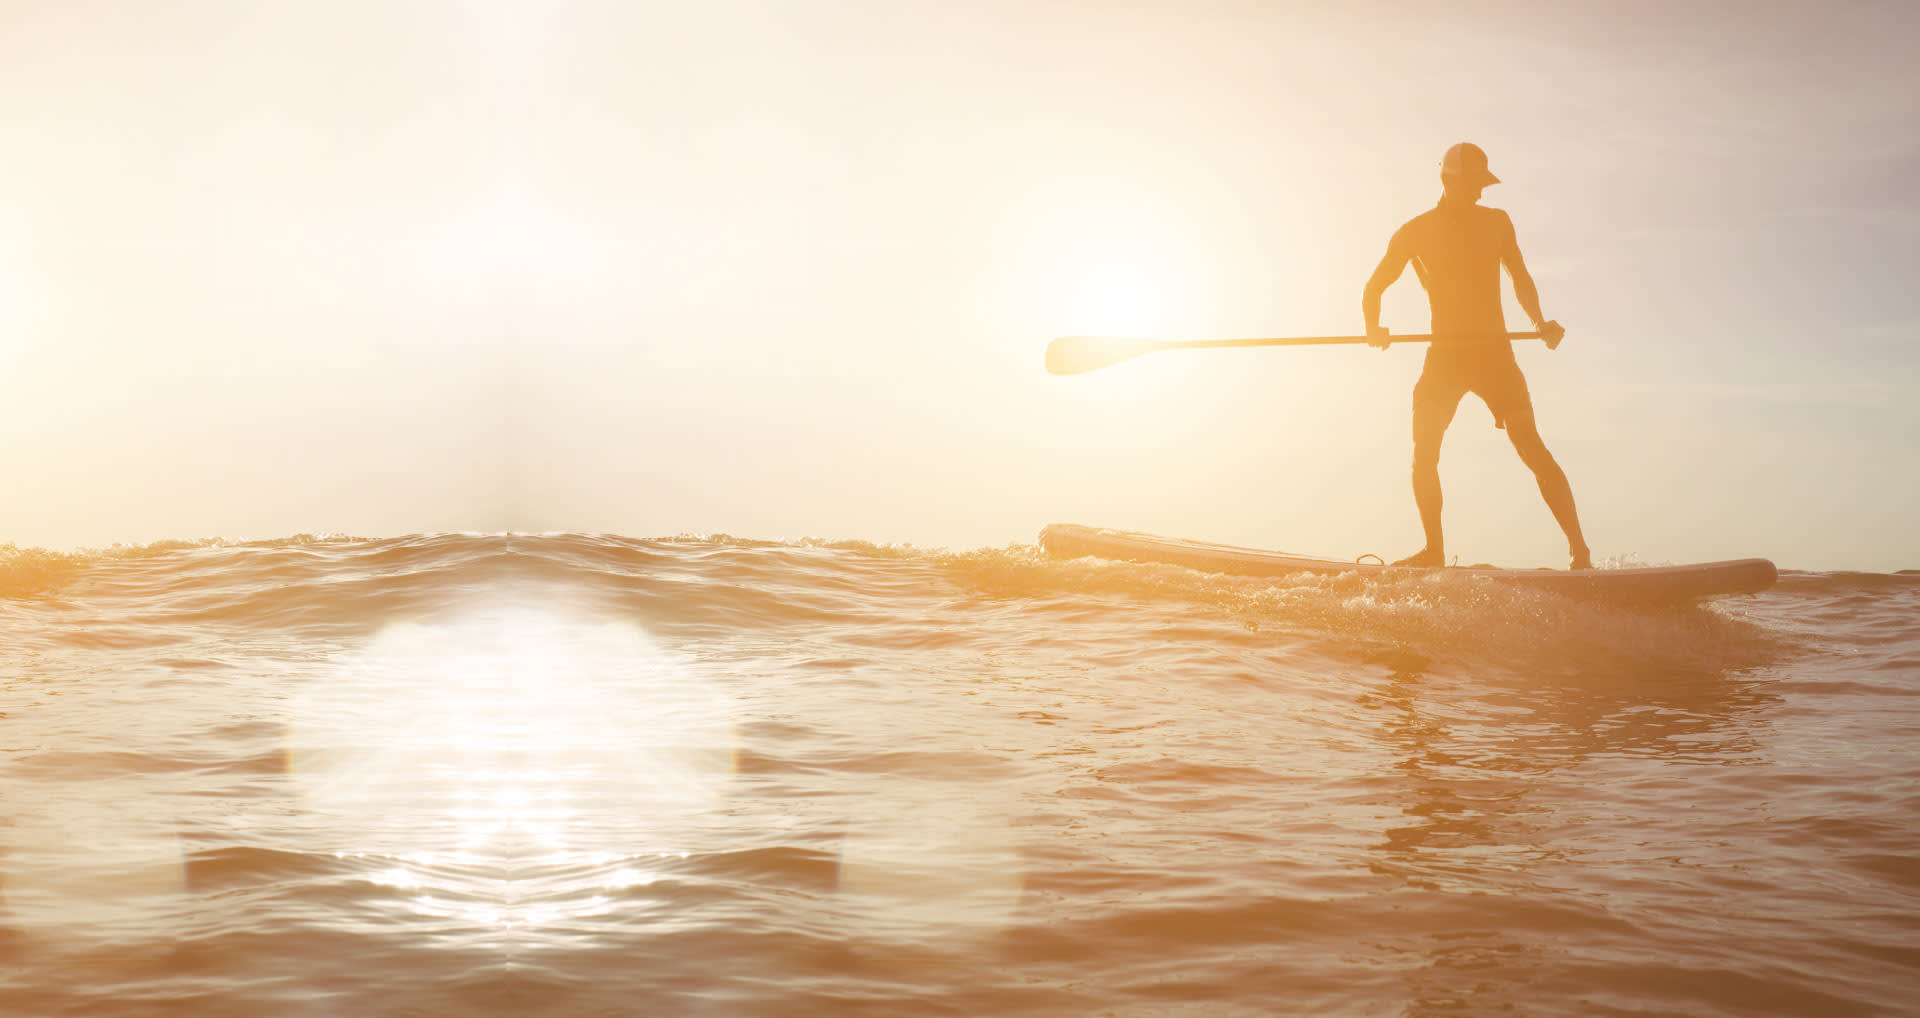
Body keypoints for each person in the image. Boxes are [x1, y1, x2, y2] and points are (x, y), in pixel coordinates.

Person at [1361, 142, 1592, 570]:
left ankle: (1581, 554)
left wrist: (1540, 321)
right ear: (1449, 180)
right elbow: (1374, 287)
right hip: (1444, 357)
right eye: (1474, 183)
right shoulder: (1415, 232)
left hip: (1494, 356)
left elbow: (1519, 276)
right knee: (1424, 452)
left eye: (1484, 184)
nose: (1482, 192)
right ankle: (1433, 552)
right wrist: (1373, 327)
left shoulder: (1497, 223)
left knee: (1531, 447)